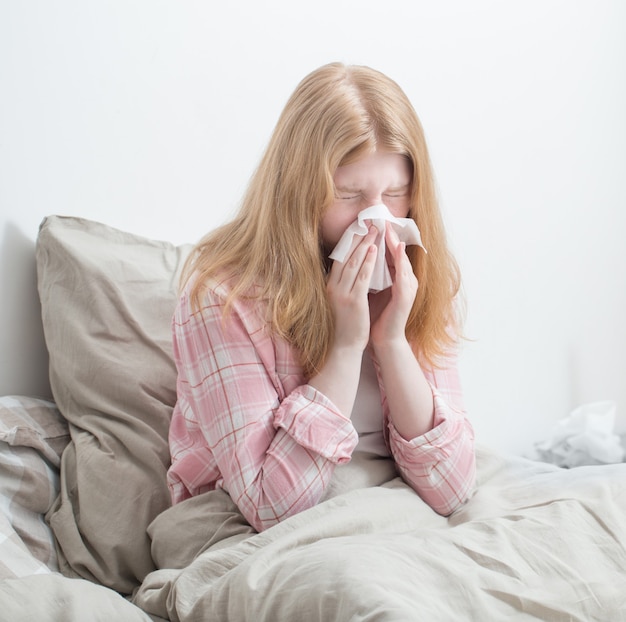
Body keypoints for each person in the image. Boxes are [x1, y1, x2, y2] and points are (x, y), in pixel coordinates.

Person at [167, 62, 476, 532]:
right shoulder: (222, 296)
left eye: (395, 193)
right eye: (348, 195)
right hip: (244, 523)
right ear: (298, 193)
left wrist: (390, 342)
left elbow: (452, 489)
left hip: (389, 506)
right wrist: (347, 348)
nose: (375, 218)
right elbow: (270, 507)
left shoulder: (418, 274)